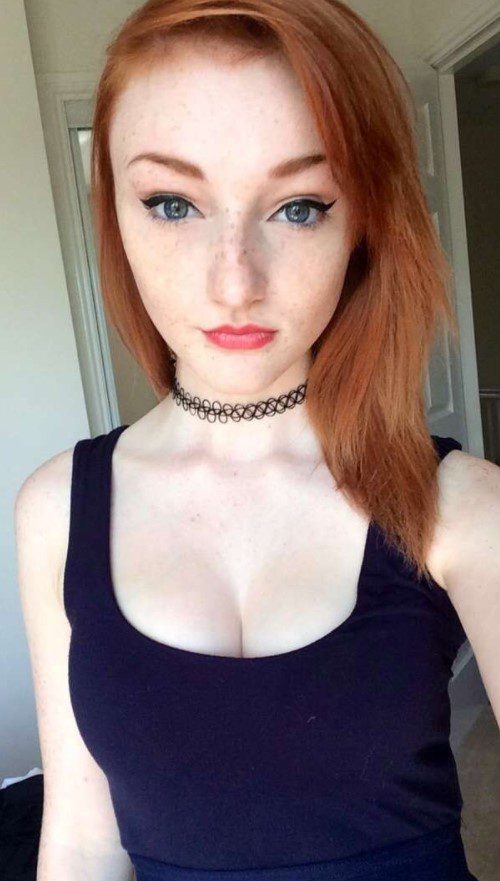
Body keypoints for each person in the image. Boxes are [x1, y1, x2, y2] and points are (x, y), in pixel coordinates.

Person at [14, 1, 500, 880]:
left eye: (299, 207)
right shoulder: (57, 509)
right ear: (114, 216)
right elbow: (83, 839)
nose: (235, 280)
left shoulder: (463, 506)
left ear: (363, 223)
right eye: (172, 204)